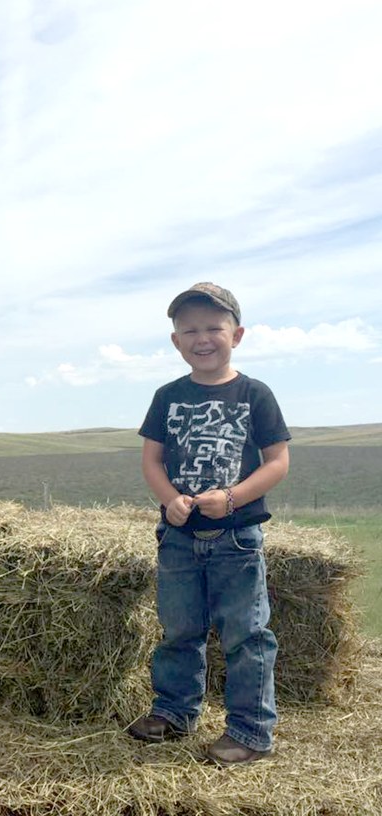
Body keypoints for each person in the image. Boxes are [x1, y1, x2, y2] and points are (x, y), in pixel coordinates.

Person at [127, 282, 290, 765]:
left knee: (246, 635)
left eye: (213, 328)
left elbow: (278, 462)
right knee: (179, 630)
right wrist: (170, 500)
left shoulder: (255, 393)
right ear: (176, 341)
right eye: (189, 330)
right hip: (178, 538)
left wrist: (234, 497)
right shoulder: (167, 396)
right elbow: (152, 462)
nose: (202, 338)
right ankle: (175, 712)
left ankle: (250, 731)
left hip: (237, 538)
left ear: (236, 335)